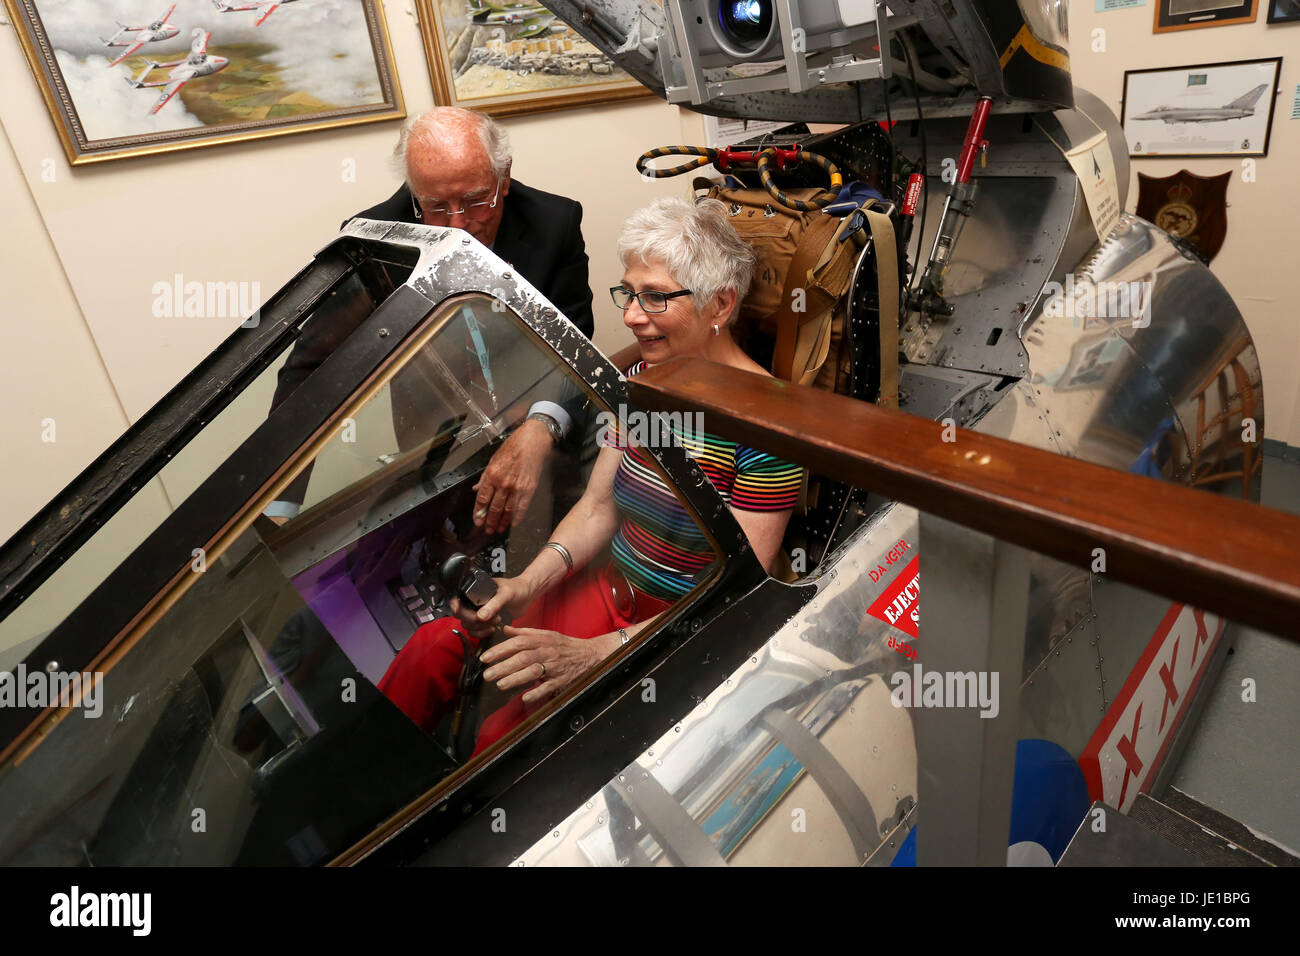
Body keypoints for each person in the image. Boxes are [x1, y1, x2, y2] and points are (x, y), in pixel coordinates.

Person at [378, 197, 804, 756]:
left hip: (674, 625)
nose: (630, 315)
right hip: (603, 591)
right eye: (628, 293)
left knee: (499, 741)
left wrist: (599, 653)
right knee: (435, 647)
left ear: (720, 302)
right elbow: (599, 505)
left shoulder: (770, 426)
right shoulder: (640, 376)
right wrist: (523, 585)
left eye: (655, 297)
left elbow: (738, 590)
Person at [267, 108, 593, 531]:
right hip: (438, 450)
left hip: (543, 439)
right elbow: (311, 369)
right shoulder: (374, 239)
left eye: (476, 200)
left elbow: (574, 339)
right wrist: (279, 505)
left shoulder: (555, 222)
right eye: (435, 206)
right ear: (413, 190)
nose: (458, 224)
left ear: (505, 177)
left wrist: (541, 425)